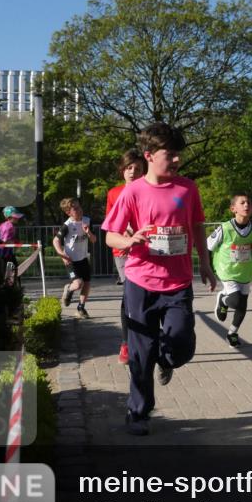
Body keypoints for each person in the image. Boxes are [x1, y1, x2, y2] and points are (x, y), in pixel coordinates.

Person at [102, 122, 217, 436]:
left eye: (179, 154)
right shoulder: (133, 191)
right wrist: (129, 241)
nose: (177, 159)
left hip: (178, 283)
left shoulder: (188, 189)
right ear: (149, 155)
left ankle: (167, 360)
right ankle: (138, 412)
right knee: (140, 353)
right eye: (171, 154)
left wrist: (205, 264)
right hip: (140, 282)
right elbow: (111, 235)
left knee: (180, 344)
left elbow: (197, 226)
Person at [207, 192, 252, 348]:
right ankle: (223, 300)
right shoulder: (225, 228)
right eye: (242, 203)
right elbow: (208, 246)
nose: (247, 205)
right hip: (226, 269)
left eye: (249, 203)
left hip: (245, 271)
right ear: (233, 209)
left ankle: (232, 333)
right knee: (236, 300)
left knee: (242, 305)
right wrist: (208, 268)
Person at [106, 149, 147, 364]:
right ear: (122, 170)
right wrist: (124, 239)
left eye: (137, 169)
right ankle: (126, 343)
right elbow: (111, 223)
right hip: (122, 251)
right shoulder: (114, 193)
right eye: (129, 168)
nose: (132, 172)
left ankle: (147, 339)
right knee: (128, 295)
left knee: (146, 296)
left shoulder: (149, 190)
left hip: (146, 249)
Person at [53, 198, 96, 319]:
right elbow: (55, 241)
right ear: (68, 213)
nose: (79, 210)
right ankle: (68, 289)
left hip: (83, 258)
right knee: (77, 284)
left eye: (79, 207)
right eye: (75, 209)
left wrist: (88, 232)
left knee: (87, 283)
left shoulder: (87, 221)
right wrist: (61, 254)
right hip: (70, 260)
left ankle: (81, 308)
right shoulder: (67, 225)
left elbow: (94, 240)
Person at [0, 205, 25, 280]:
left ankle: (10, 283)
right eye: (15, 217)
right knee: (5, 274)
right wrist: (16, 243)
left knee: (13, 270)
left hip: (7, 254)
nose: (18, 218)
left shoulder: (7, 225)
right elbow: (5, 240)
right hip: (3, 254)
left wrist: (16, 242)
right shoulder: (8, 226)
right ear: (9, 217)